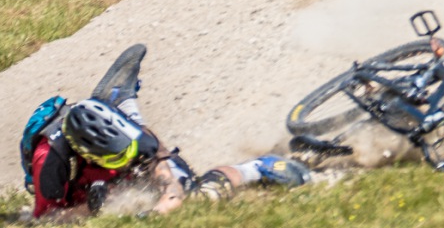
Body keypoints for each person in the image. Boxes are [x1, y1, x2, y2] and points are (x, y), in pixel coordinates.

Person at [28, 44, 310, 220]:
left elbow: (161, 165)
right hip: (85, 190)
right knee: (192, 193)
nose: (129, 162)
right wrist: (91, 209)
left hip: (117, 157)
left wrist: (165, 202)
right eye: (119, 159)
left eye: (128, 154)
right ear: (86, 153)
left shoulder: (128, 136)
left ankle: (259, 167)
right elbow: (49, 220)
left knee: (193, 190)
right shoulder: (49, 162)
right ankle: (121, 97)